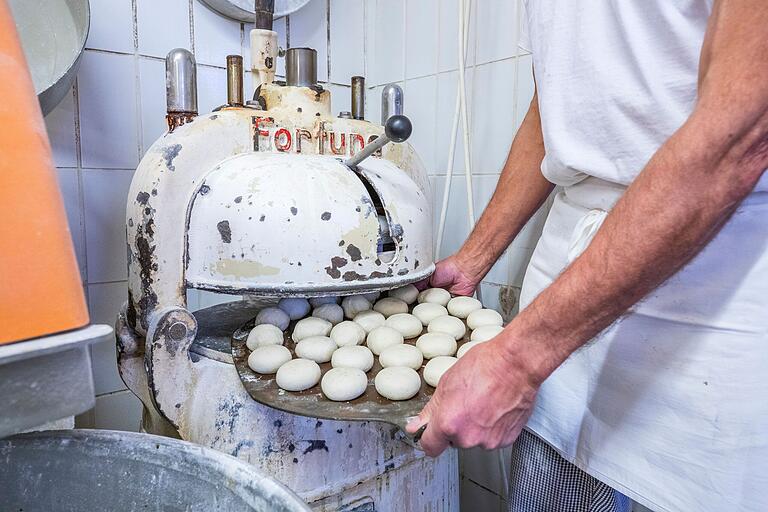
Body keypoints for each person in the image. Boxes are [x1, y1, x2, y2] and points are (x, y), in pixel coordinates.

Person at [407, 1, 768, 511]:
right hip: (563, 293)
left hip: (706, 295)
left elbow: (740, 136)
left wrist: (516, 361)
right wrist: (473, 259)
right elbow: (553, 108)